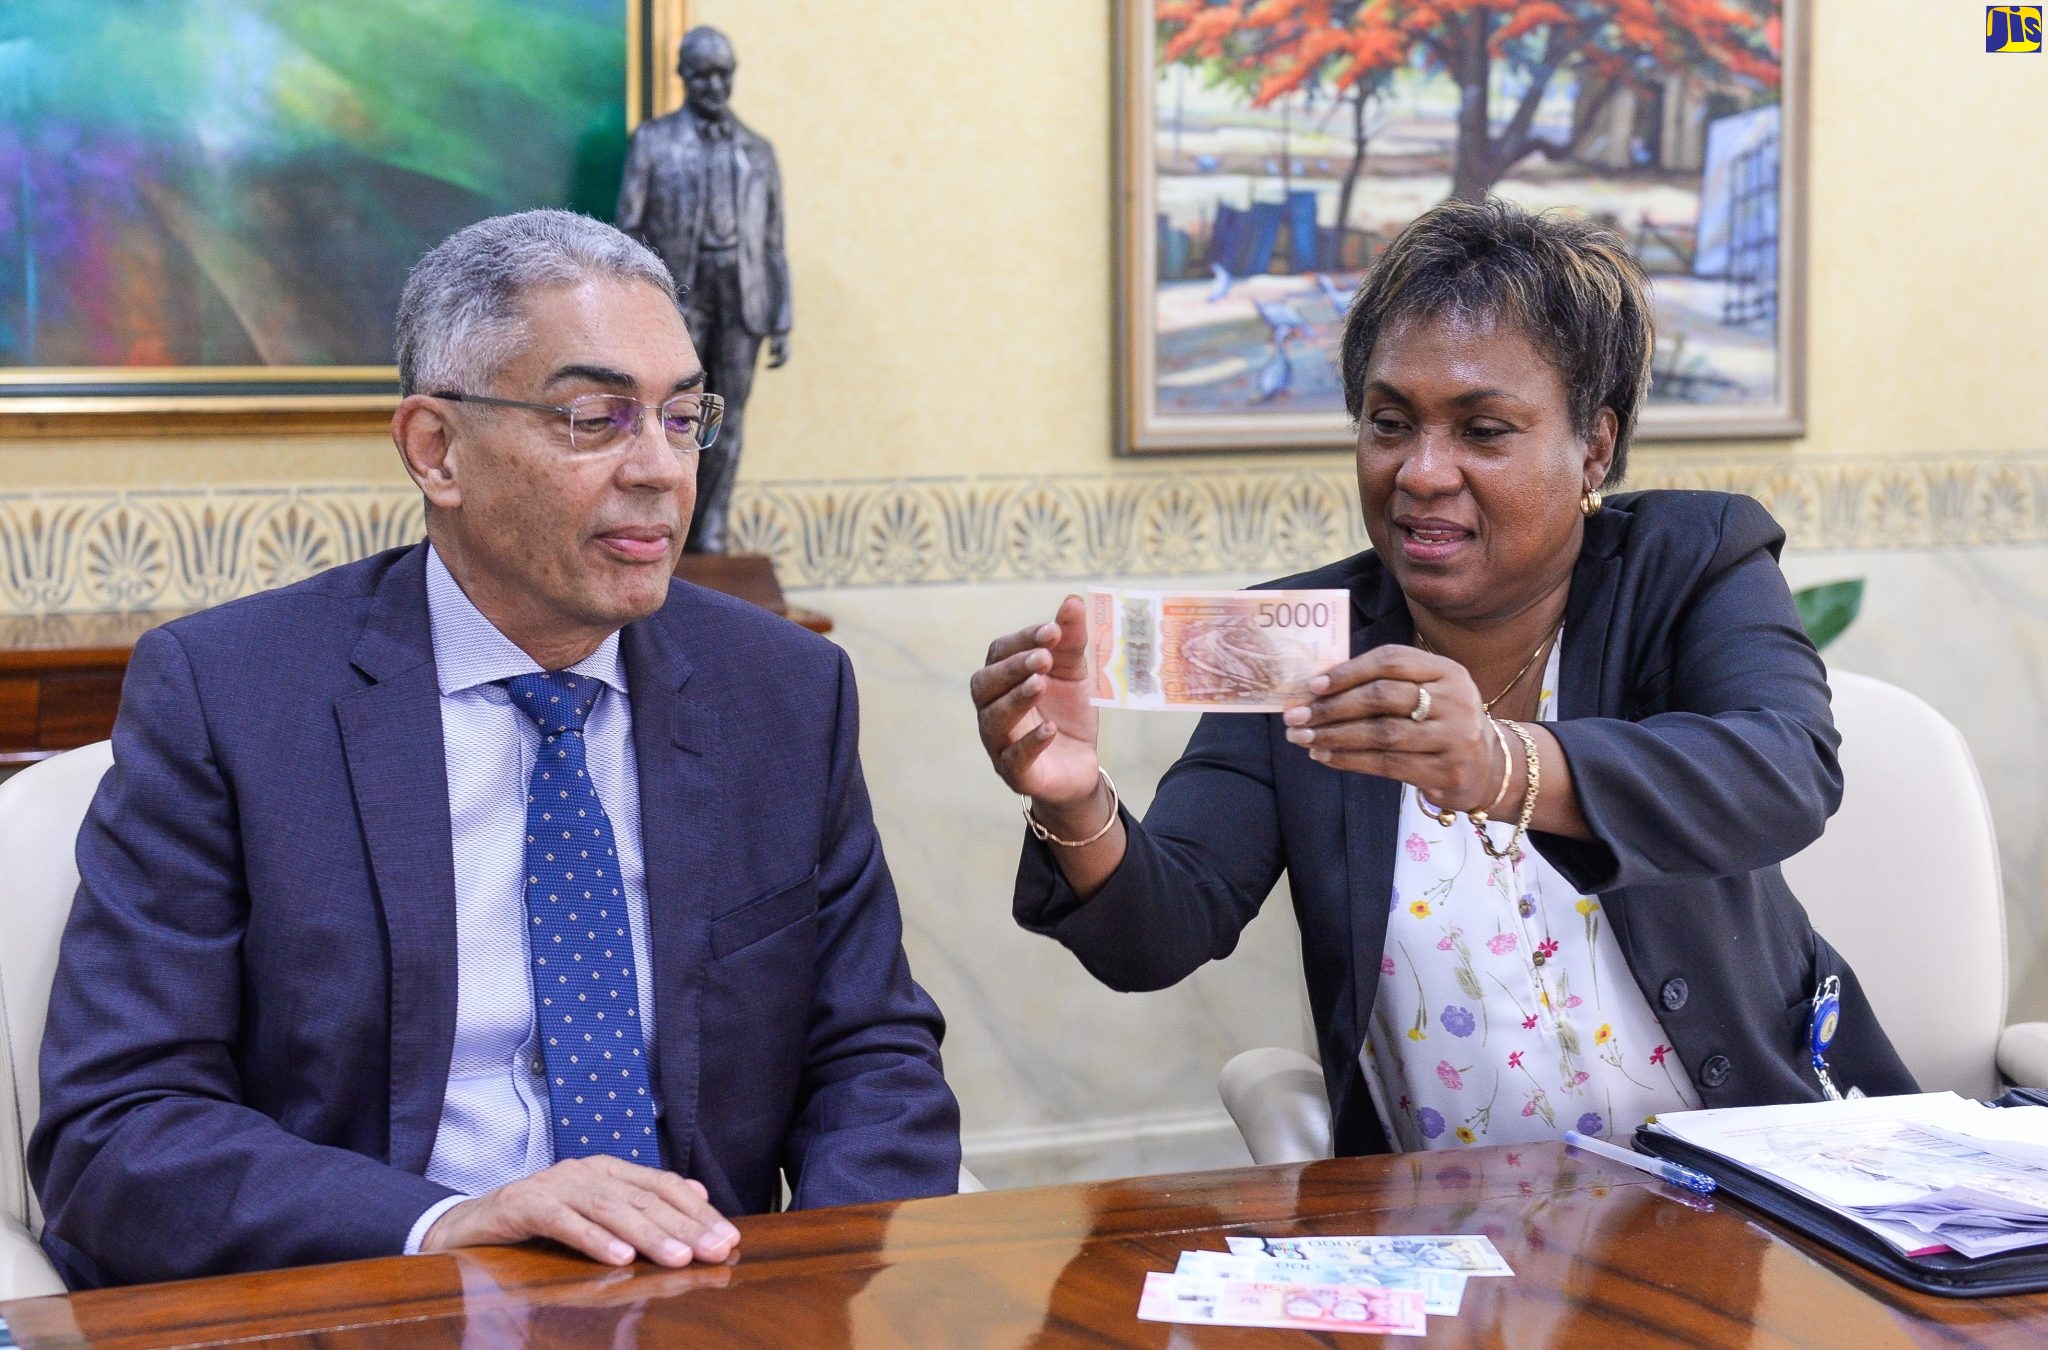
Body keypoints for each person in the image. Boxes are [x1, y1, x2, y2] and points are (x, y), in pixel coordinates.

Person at [31, 210, 957, 1289]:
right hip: (371, 1292)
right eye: (594, 418)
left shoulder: (781, 693)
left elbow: (872, 1063)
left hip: (696, 1301)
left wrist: (805, 1292)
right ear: (438, 450)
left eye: (679, 414)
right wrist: (450, 1223)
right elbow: (121, 1131)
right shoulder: (232, 698)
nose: (658, 468)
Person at [969, 198, 1913, 1160]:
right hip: (1446, 1233)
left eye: (1485, 430)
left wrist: (1503, 764)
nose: (1421, 472)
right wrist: (1076, 802)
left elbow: (1784, 767)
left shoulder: (1692, 560)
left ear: (1593, 445)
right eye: (1390, 423)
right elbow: (1159, 935)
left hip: (1753, 1186)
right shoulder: (1305, 642)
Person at [616, 26, 791, 554]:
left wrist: (781, 315)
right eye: (704, 74)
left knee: (729, 416)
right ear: (685, 77)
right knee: (673, 415)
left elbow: (773, 238)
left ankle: (711, 532)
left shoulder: (759, 151)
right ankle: (672, 528)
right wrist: (630, 304)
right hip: (679, 295)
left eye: (724, 74)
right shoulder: (654, 141)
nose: (716, 85)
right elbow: (627, 228)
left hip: (745, 296)